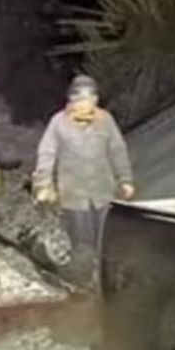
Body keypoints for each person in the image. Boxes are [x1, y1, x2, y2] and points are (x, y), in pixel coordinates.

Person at [32, 75, 134, 285]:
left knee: (108, 244)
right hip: (73, 194)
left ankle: (108, 286)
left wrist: (125, 179)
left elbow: (117, 150)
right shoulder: (58, 122)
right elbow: (47, 153)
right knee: (82, 244)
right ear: (71, 99)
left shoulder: (105, 120)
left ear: (96, 99)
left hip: (104, 192)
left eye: (90, 98)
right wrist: (43, 184)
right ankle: (83, 283)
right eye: (80, 98)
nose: (86, 103)